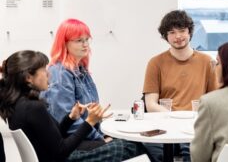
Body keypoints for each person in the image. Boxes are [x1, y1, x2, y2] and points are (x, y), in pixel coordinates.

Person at [0, 50, 144, 161]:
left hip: (52, 157)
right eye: (44, 70)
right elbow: (61, 150)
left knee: (125, 144)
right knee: (131, 146)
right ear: (28, 77)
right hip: (64, 158)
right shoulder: (33, 108)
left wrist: (71, 117)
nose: (49, 74)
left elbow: (53, 136)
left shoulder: (17, 105)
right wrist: (89, 122)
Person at [143, 10, 219, 161]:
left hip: (195, 126)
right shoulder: (155, 63)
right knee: (145, 151)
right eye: (172, 32)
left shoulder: (207, 62)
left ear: (190, 32)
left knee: (193, 153)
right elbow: (150, 104)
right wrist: (172, 119)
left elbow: (215, 100)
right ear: (165, 36)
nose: (178, 36)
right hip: (165, 125)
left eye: (182, 31)